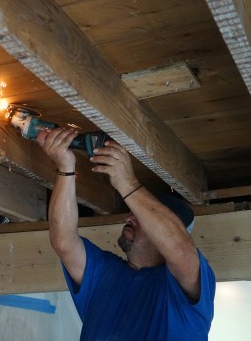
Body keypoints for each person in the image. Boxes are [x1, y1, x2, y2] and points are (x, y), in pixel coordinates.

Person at [36, 127, 215, 341]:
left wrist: (127, 184)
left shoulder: (180, 293)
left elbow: (180, 250)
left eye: (140, 216)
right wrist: (65, 167)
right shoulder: (107, 274)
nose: (128, 218)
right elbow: (64, 242)